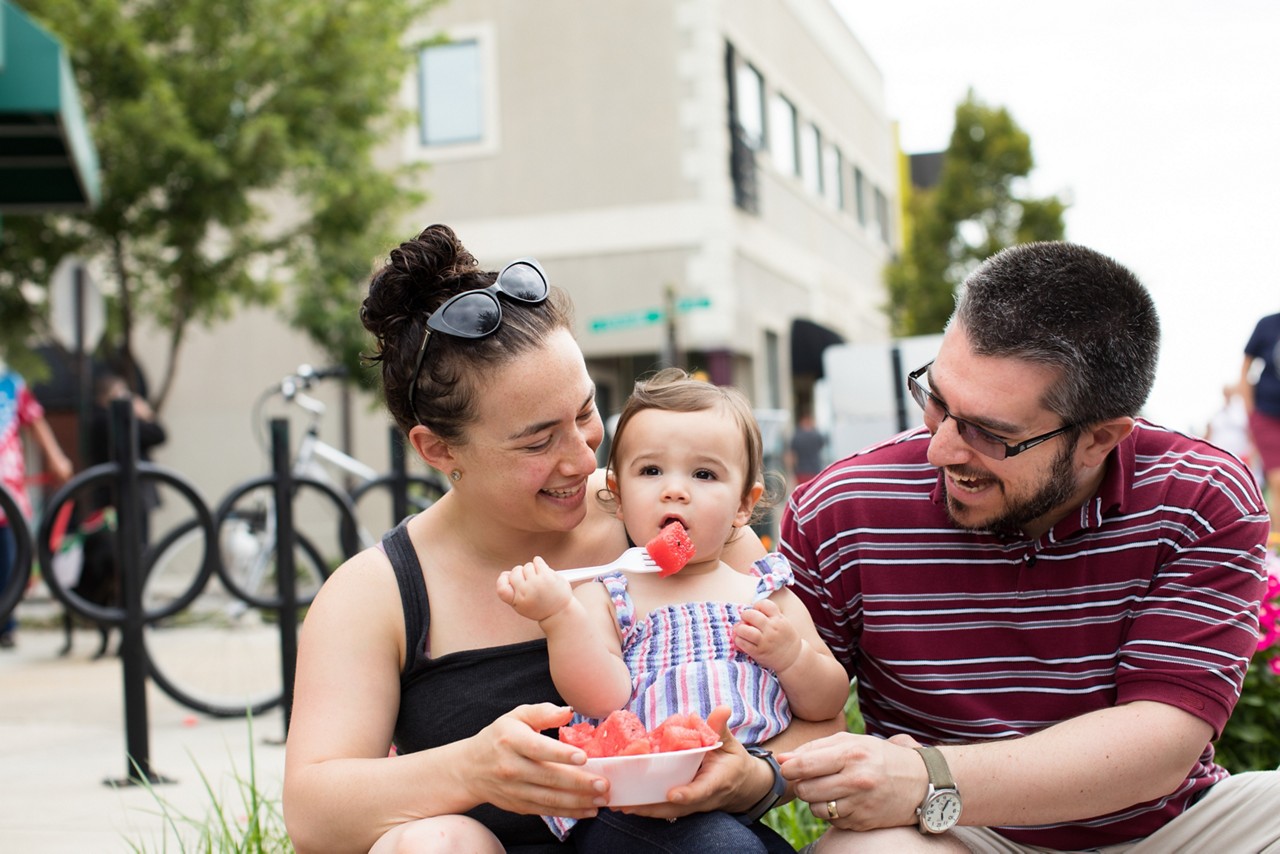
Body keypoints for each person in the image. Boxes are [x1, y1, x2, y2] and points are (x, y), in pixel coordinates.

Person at [282, 225, 839, 854]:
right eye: (538, 440)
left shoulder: (672, 514)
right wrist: (472, 768)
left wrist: (753, 779)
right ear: (438, 450)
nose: (582, 458)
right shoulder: (376, 592)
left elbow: (814, 715)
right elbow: (312, 814)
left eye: (585, 412)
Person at [777, 242, 1279, 853]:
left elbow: (1160, 743)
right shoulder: (841, 507)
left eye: (989, 433)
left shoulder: (1201, 494)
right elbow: (800, 713)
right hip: (952, 832)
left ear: (1100, 439)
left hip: (1172, 830)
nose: (940, 449)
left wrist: (925, 775)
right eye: (937, 400)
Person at [498, 368, 849, 850]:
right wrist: (559, 617)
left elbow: (828, 702)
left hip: (733, 803)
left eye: (704, 474)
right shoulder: (610, 592)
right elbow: (600, 698)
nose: (675, 490)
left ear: (744, 507)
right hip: (623, 811)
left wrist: (792, 658)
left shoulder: (763, 592)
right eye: (650, 471)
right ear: (618, 498)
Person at [0, 361, 74, 649]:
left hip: (8, 495)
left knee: (9, 563)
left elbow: (35, 420)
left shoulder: (11, 383)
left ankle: (6, 625)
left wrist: (56, 458)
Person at [1241, 311, 1280, 539]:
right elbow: (1245, 369)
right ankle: (1276, 543)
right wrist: (1250, 412)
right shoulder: (1267, 325)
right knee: (1277, 481)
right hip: (1267, 414)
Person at [785, 413, 826, 488]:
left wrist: (791, 471)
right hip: (815, 470)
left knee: (802, 494)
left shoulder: (797, 436)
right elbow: (822, 446)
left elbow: (792, 456)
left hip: (801, 471)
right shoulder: (817, 435)